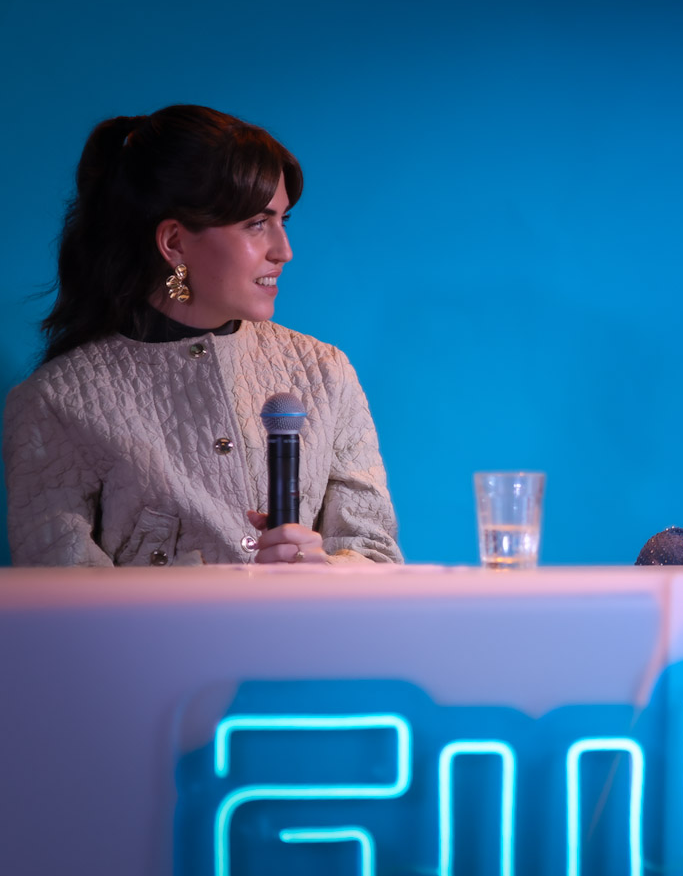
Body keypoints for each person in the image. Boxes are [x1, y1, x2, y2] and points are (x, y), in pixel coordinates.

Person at [3, 105, 401, 566]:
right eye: (256, 223)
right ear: (174, 242)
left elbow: (376, 554)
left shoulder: (325, 372)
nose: (284, 251)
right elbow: (62, 596)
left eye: (283, 220)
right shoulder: (56, 401)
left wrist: (328, 571)